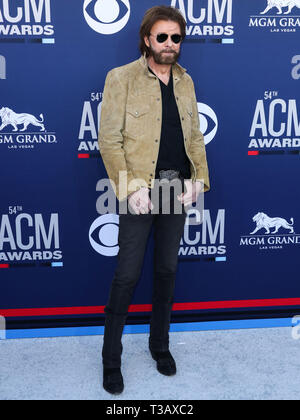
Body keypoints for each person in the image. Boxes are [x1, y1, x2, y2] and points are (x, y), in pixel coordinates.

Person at [98, 5, 210, 395]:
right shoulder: (121, 78)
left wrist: (200, 179)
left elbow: (194, 137)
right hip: (138, 192)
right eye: (161, 37)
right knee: (127, 276)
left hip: (175, 191)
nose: (169, 44)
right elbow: (109, 141)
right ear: (147, 39)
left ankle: (159, 346)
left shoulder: (186, 81)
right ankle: (111, 360)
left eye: (175, 37)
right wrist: (131, 188)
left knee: (166, 272)